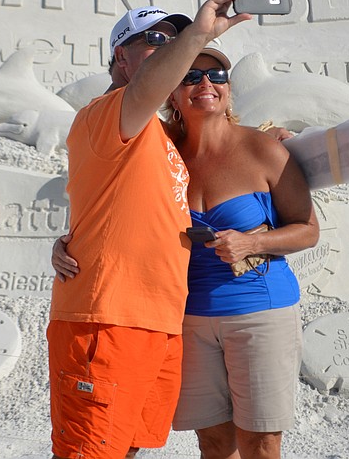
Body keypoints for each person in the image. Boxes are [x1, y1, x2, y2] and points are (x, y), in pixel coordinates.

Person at [53, 39, 320, 458]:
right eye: (190, 76)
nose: (206, 83)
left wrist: (255, 240)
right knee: (213, 441)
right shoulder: (160, 150)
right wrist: (70, 242)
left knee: (261, 441)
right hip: (188, 318)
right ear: (171, 92)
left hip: (259, 309)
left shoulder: (264, 148)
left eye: (217, 75)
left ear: (229, 87)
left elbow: (307, 229)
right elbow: (106, 191)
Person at [48, 0, 250, 459]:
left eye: (173, 38)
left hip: (158, 319)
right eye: (156, 40)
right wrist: (198, 34)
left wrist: (268, 136)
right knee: (90, 452)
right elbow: (145, 89)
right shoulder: (105, 111)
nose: (170, 48)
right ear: (120, 59)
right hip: (108, 318)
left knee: (129, 448)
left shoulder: (156, 134)